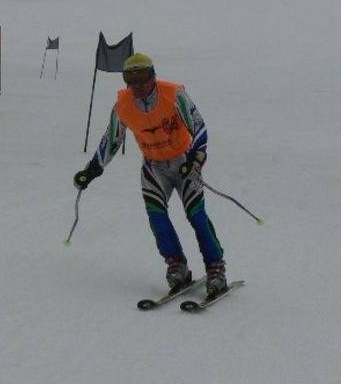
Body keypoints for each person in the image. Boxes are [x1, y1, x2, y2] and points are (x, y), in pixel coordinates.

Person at [73, 53, 228, 299]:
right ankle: (176, 263)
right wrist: (92, 169)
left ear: (153, 76)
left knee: (195, 214)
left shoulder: (174, 95)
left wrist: (196, 158)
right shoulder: (123, 105)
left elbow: (198, 125)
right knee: (157, 216)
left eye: (143, 77)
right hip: (154, 166)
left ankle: (215, 266)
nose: (137, 85)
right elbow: (112, 139)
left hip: (183, 161)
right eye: (130, 78)